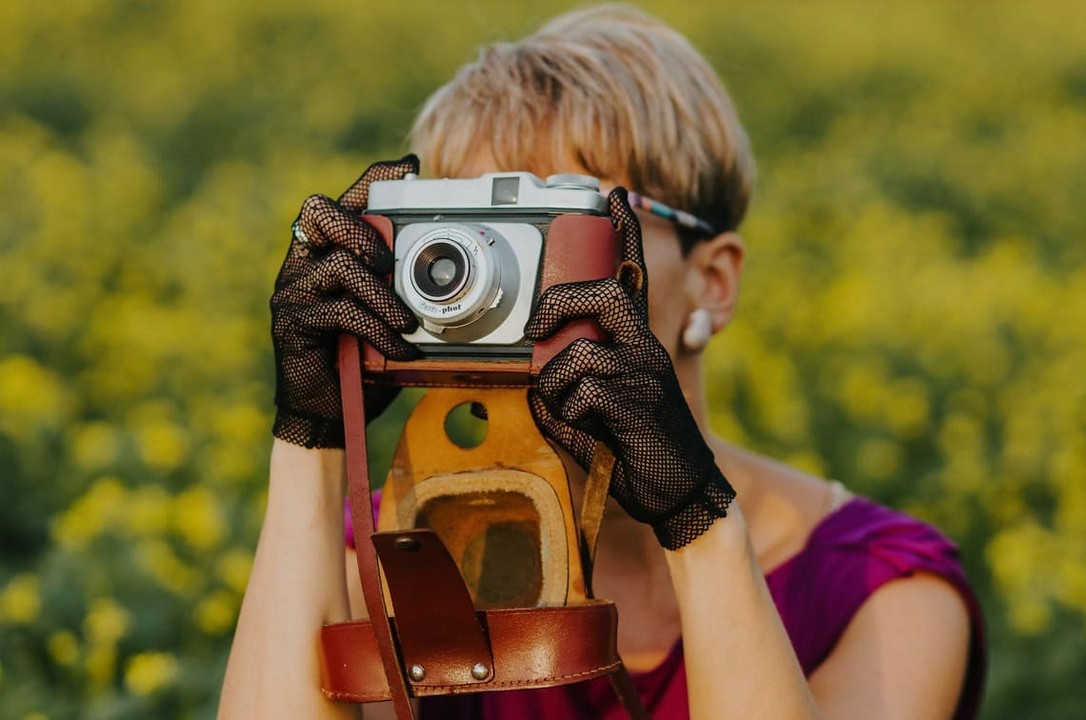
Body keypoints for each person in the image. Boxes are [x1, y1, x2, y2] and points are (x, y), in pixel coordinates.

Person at [218, 5, 985, 719]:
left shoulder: (881, 596)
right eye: (465, 228)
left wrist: (701, 525)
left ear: (712, 281)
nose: (490, 277)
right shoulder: (395, 557)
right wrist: (312, 443)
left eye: (553, 223)